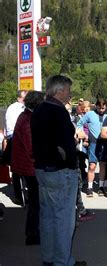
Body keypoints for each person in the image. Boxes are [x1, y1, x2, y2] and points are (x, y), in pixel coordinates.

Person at [31, 75, 86, 265]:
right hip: (60, 171)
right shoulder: (58, 111)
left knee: (47, 217)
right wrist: (72, 160)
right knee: (64, 220)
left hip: (42, 169)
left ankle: (49, 258)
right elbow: (66, 146)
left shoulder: (38, 109)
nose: (69, 95)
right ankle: (63, 261)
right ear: (59, 90)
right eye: (68, 91)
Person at [11, 91, 44, 246]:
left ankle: (33, 231)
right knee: (36, 202)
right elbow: (32, 148)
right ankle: (32, 234)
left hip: (25, 165)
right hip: (30, 166)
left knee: (35, 201)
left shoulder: (25, 116)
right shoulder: (28, 120)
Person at [77, 99, 107, 197]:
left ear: (106, 107)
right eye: (99, 107)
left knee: (103, 164)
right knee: (92, 166)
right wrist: (83, 134)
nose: (101, 110)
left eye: (103, 108)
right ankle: (90, 187)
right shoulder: (90, 114)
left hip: (104, 143)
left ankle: (101, 187)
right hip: (93, 142)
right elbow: (80, 124)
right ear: (96, 106)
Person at [4, 89, 28, 205]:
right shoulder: (15, 108)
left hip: (18, 138)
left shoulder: (21, 108)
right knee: (17, 168)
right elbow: (13, 127)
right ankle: (19, 196)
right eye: (25, 98)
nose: (26, 100)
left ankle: (22, 194)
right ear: (19, 98)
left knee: (20, 167)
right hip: (15, 138)